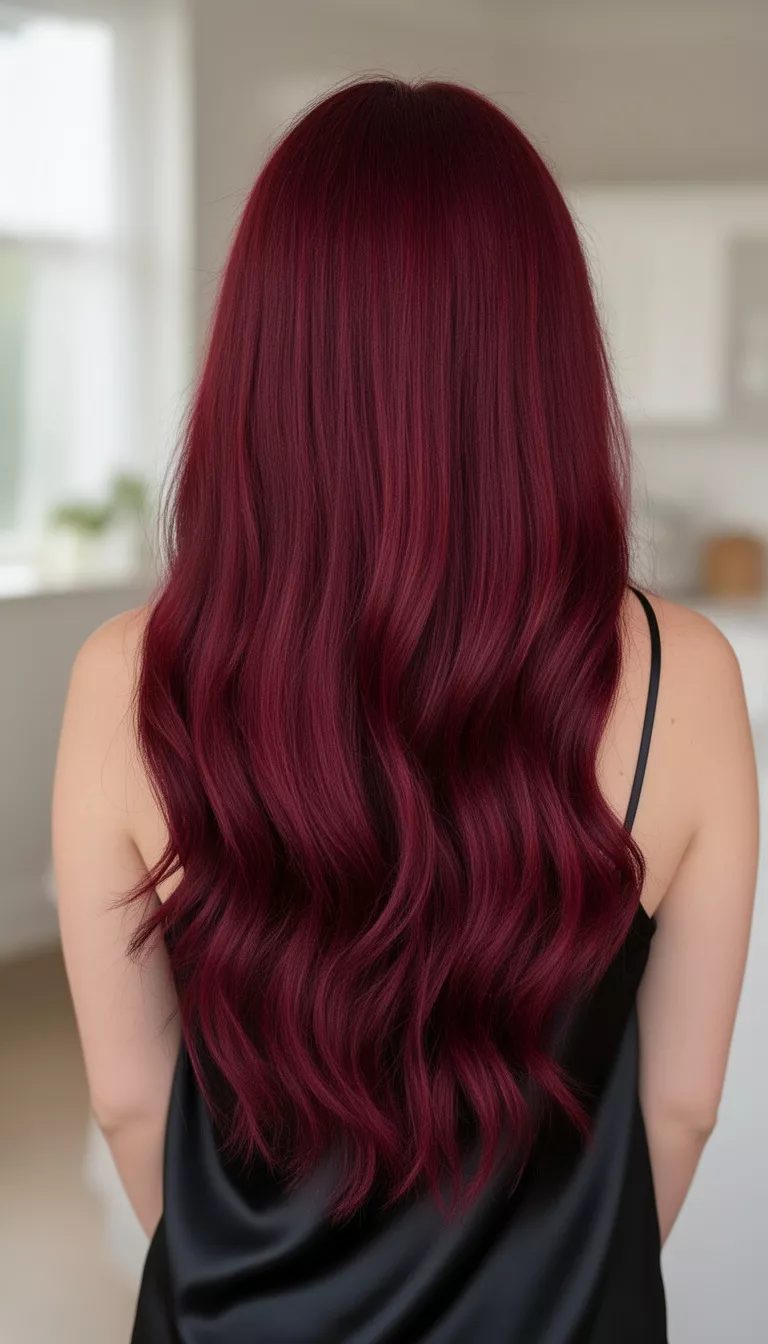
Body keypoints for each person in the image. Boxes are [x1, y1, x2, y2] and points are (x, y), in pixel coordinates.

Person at [52, 76, 759, 1343]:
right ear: (543, 351)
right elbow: (681, 1107)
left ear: (263, 353)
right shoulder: (686, 674)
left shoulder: (128, 675)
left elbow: (128, 1100)